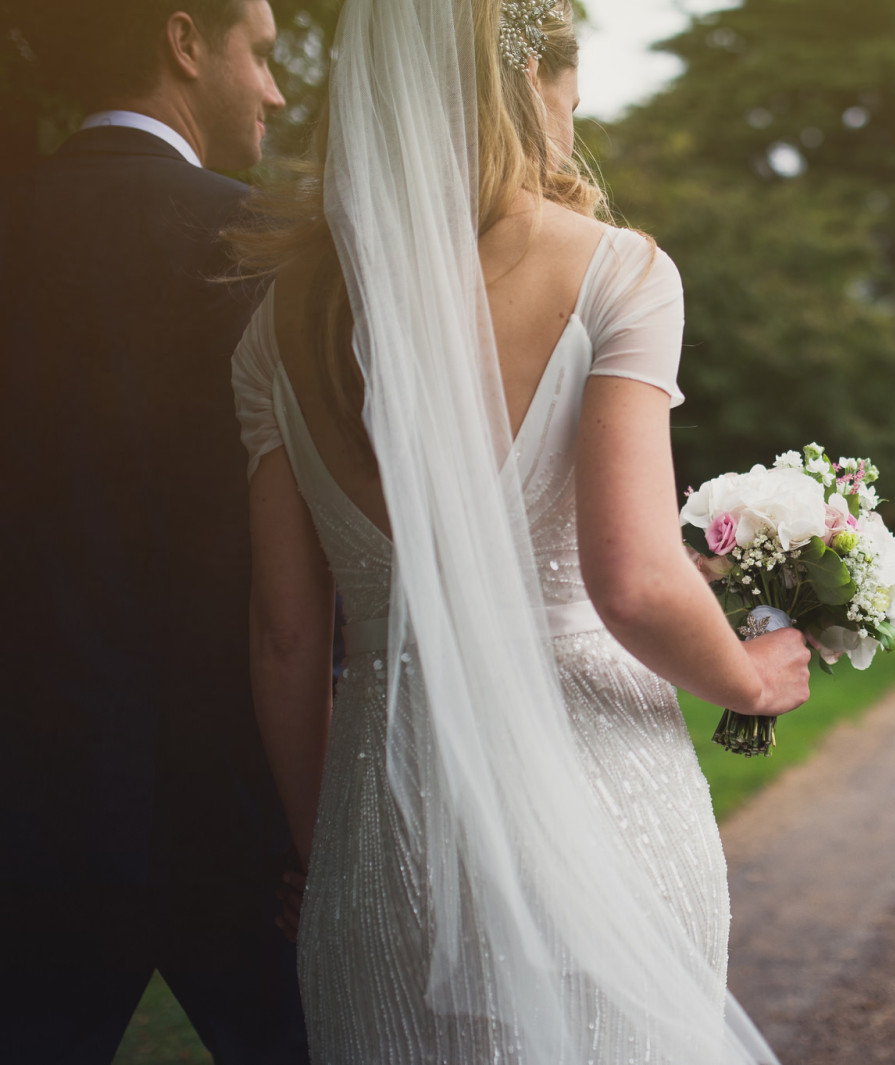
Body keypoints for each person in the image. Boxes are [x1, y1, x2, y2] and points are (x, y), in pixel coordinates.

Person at [227, 0, 811, 1060]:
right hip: (597, 800)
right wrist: (752, 676)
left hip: (377, 830)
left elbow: (282, 634)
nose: (576, 103)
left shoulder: (281, 321)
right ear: (528, 75)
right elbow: (630, 580)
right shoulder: (616, 272)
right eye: (569, 73)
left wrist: (326, 858)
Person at [0, 1, 309, 1062]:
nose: (274, 90)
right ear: (185, 43)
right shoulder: (260, 248)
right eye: (261, 55)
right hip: (231, 799)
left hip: (24, 808)